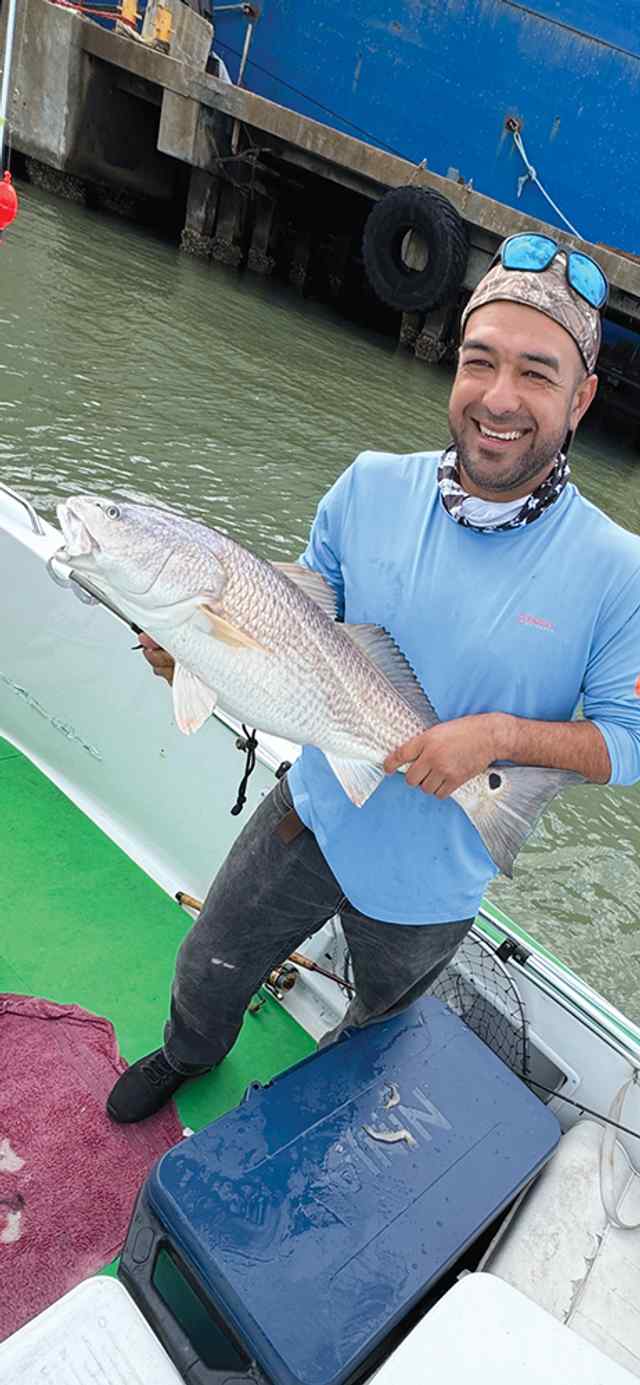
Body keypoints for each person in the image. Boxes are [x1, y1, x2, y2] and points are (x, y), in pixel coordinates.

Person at [107, 234, 640, 1124]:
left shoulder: (619, 570)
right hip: (315, 808)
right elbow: (301, 612)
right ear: (453, 364)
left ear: (582, 397)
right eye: (480, 361)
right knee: (209, 963)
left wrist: (500, 738)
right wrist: (193, 641)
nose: (499, 399)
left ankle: (303, 1123)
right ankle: (186, 1052)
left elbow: (630, 740)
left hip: (438, 877)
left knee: (374, 1029)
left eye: (538, 374)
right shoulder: (367, 487)